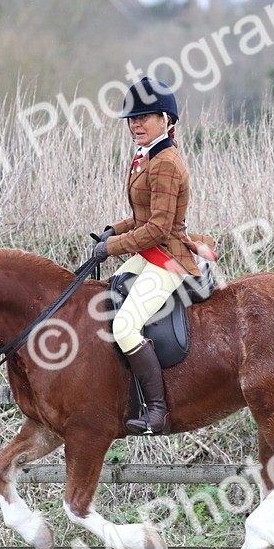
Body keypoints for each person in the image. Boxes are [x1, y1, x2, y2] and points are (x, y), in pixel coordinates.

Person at [92, 78, 215, 435]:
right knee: (107, 292)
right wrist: (112, 230)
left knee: (124, 326)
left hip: (167, 257)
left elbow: (159, 228)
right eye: (132, 119)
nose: (136, 124)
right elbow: (142, 217)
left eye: (144, 117)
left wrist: (112, 247)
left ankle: (157, 411)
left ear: (166, 119)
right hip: (149, 252)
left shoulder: (165, 163)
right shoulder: (147, 157)